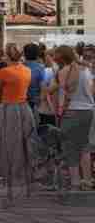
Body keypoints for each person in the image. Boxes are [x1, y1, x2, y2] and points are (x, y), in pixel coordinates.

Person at [0, 43, 34, 195]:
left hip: (8, 108)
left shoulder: (4, 72)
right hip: (24, 107)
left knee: (6, 141)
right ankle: (22, 173)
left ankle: (8, 173)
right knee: (23, 142)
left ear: (7, 56)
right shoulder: (27, 70)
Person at [50, 44, 94, 189]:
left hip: (71, 111)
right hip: (88, 110)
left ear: (61, 57)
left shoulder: (64, 71)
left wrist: (59, 110)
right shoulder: (85, 69)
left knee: (70, 147)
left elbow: (63, 95)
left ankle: (75, 181)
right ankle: (87, 180)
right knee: (85, 146)